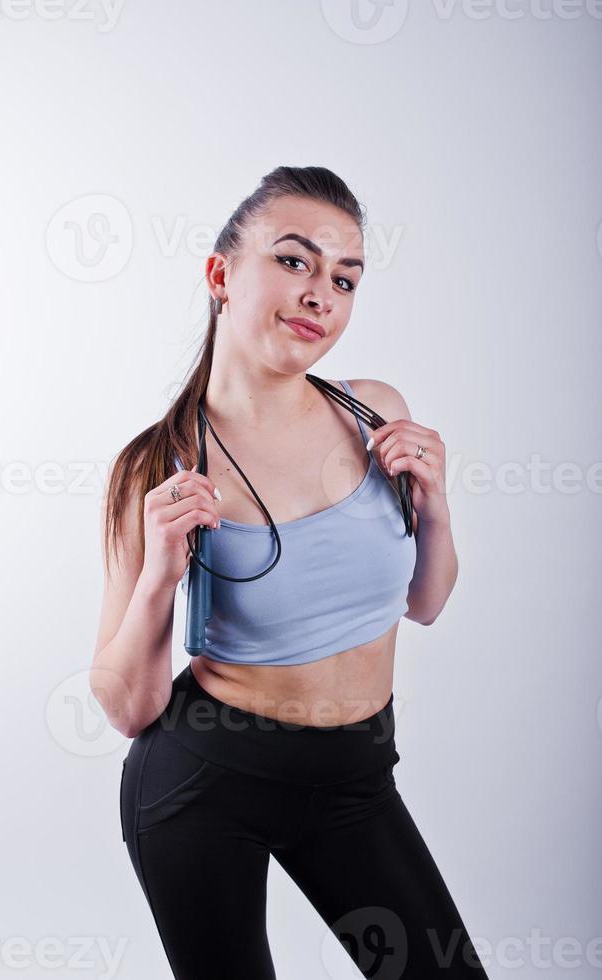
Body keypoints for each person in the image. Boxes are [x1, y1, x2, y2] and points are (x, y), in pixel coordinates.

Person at [90, 166, 490, 979]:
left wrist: (438, 504)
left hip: (355, 780)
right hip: (204, 785)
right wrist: (161, 575)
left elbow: (425, 603)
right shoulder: (155, 468)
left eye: (344, 279)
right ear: (219, 276)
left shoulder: (371, 410)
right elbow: (130, 706)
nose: (321, 295)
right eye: (295, 261)